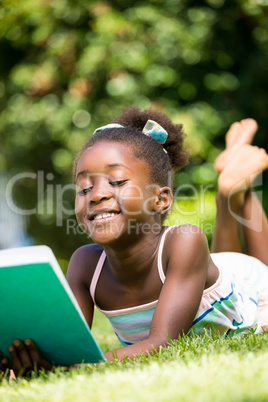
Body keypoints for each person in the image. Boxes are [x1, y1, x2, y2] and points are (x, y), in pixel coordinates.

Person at [1, 108, 268, 375]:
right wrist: (27, 361)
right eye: (84, 188)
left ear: (161, 199)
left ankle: (233, 190)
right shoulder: (85, 264)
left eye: (116, 181)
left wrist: (73, 366)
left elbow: (162, 343)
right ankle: (232, 188)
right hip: (206, 277)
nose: (96, 195)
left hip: (251, 288)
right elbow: (63, 347)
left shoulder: (184, 242)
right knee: (220, 264)